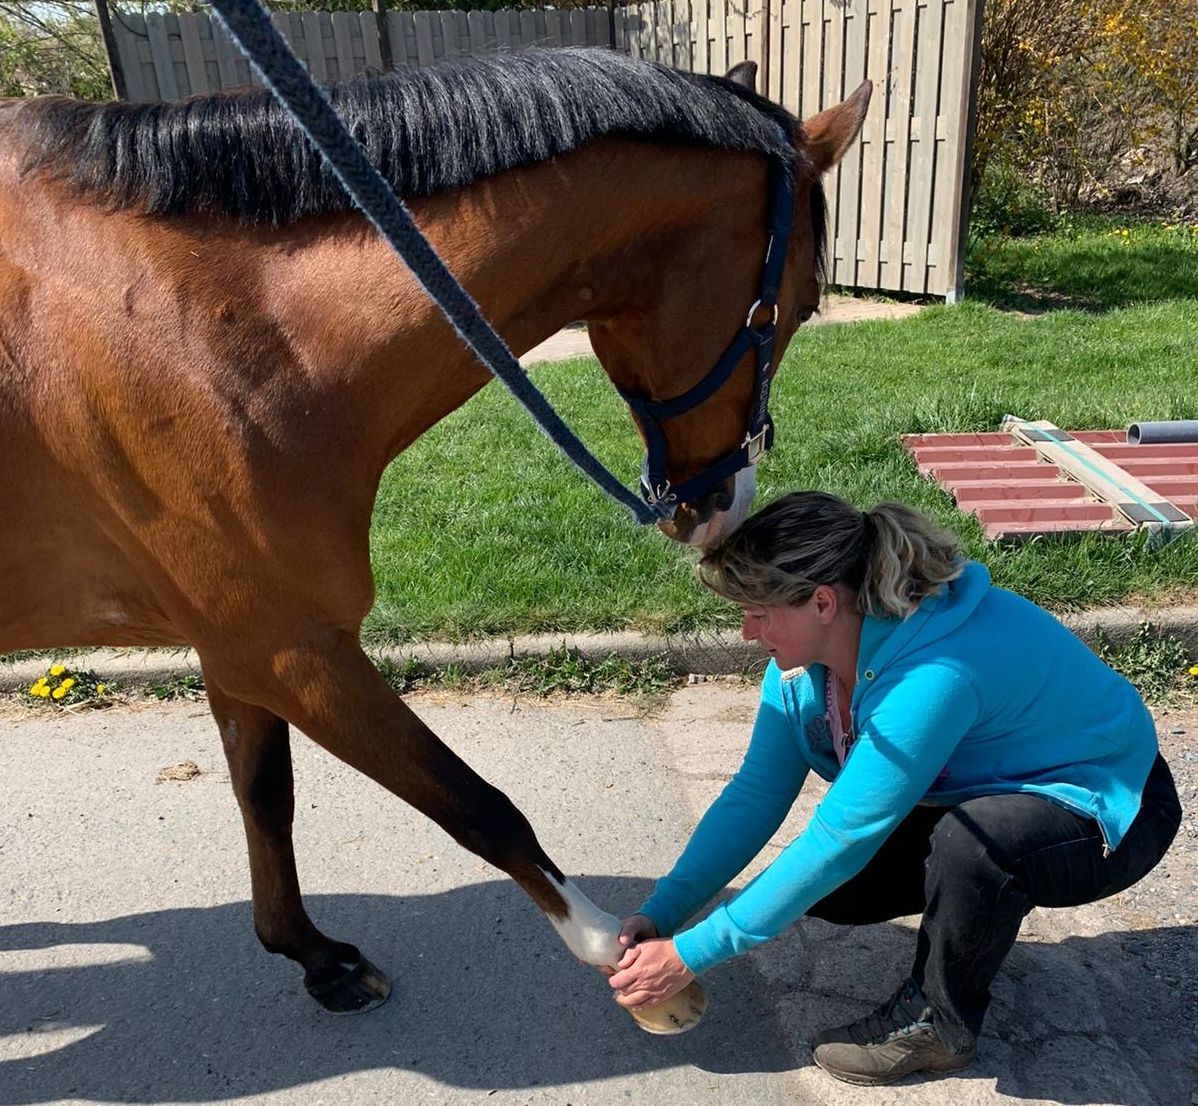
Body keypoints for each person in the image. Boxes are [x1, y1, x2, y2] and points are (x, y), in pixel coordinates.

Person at [607, 491, 1181, 1086]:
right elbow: (754, 795)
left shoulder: (933, 676)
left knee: (971, 847)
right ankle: (974, 914)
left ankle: (939, 1024)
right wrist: (664, 911)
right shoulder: (801, 669)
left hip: (1115, 810)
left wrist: (692, 955)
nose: (748, 633)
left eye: (757, 611)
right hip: (995, 785)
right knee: (833, 889)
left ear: (823, 602)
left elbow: (840, 838)